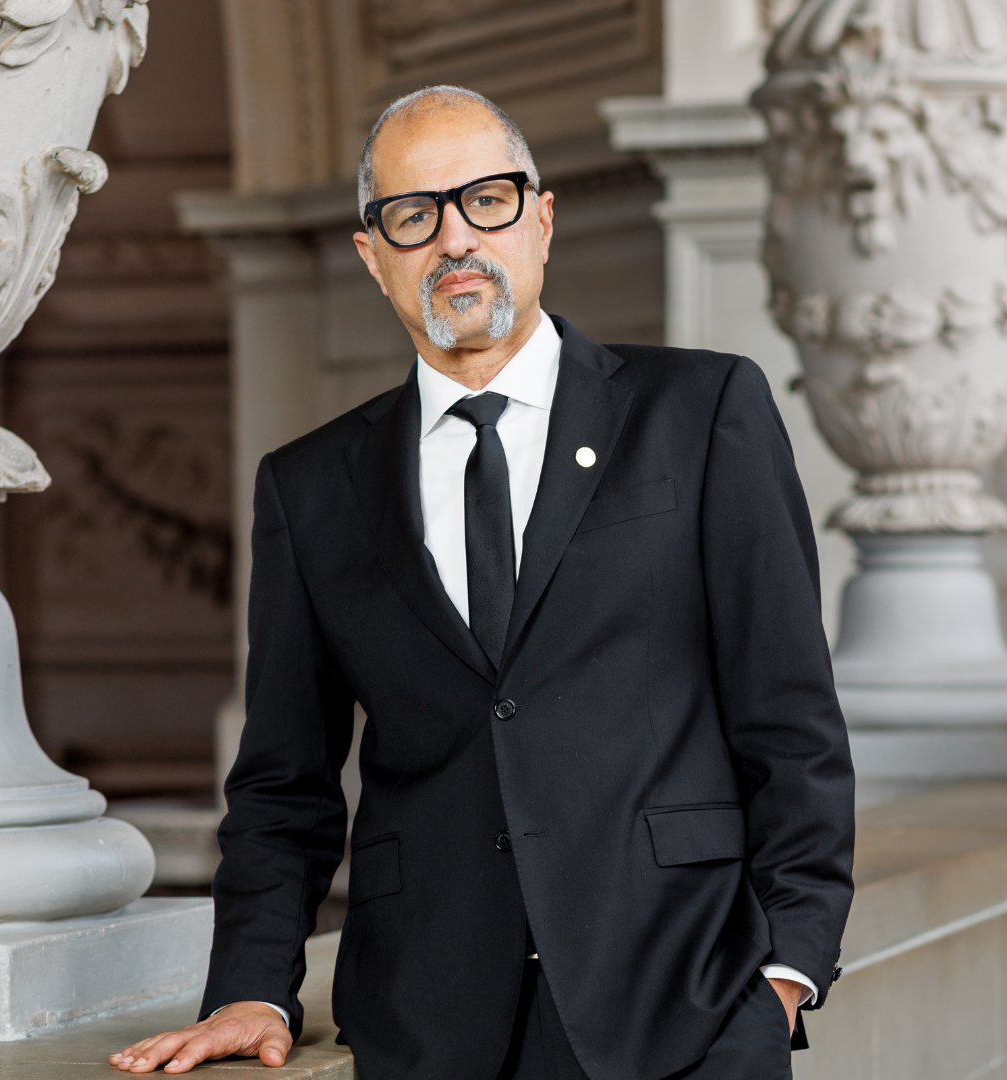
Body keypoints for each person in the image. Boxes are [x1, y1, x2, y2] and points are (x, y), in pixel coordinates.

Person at [110, 85, 854, 1080]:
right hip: (429, 1021)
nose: (456, 236)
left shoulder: (702, 410)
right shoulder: (310, 486)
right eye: (415, 215)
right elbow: (284, 780)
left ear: (541, 221)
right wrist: (252, 985)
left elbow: (788, 713)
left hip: (690, 1000)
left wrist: (790, 963)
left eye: (488, 200)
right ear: (376, 258)